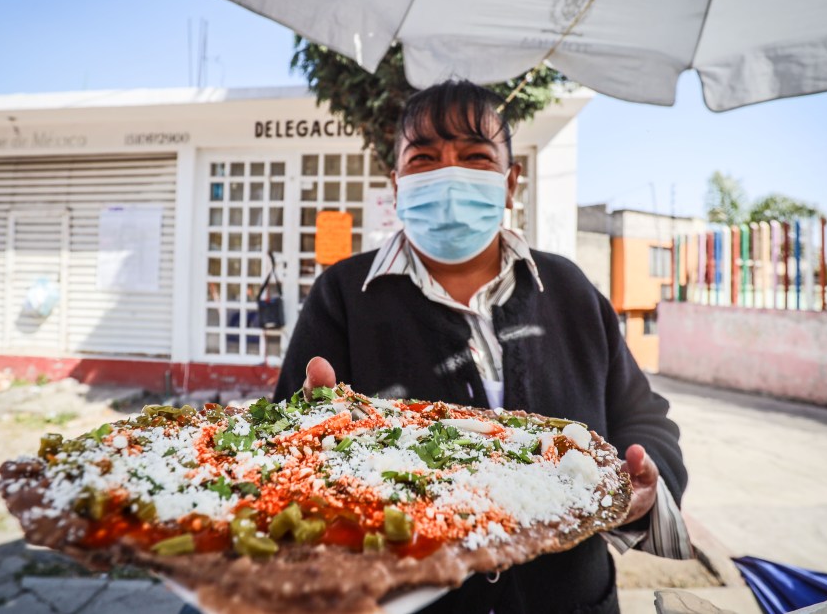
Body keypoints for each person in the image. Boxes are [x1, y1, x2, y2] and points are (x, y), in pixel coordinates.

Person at [273, 80, 690, 614]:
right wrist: (308, 434)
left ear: (511, 181)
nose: (449, 175)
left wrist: (644, 487)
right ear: (396, 184)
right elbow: (288, 453)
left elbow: (642, 416)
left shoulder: (568, 289)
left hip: (574, 601)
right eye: (424, 158)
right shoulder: (344, 297)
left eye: (474, 156)